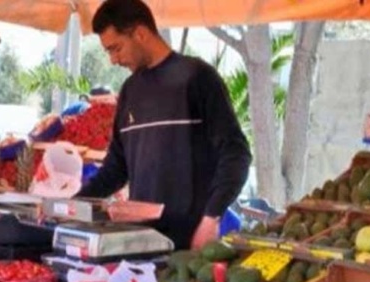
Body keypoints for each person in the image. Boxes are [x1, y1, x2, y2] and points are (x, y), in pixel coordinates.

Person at [78, 0, 252, 251]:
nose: (114, 60)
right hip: (140, 242)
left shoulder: (198, 77)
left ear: (140, 33)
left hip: (190, 245)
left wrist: (211, 217)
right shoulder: (129, 91)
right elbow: (116, 169)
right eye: (108, 52)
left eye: (116, 48)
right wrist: (72, 206)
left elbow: (237, 154)